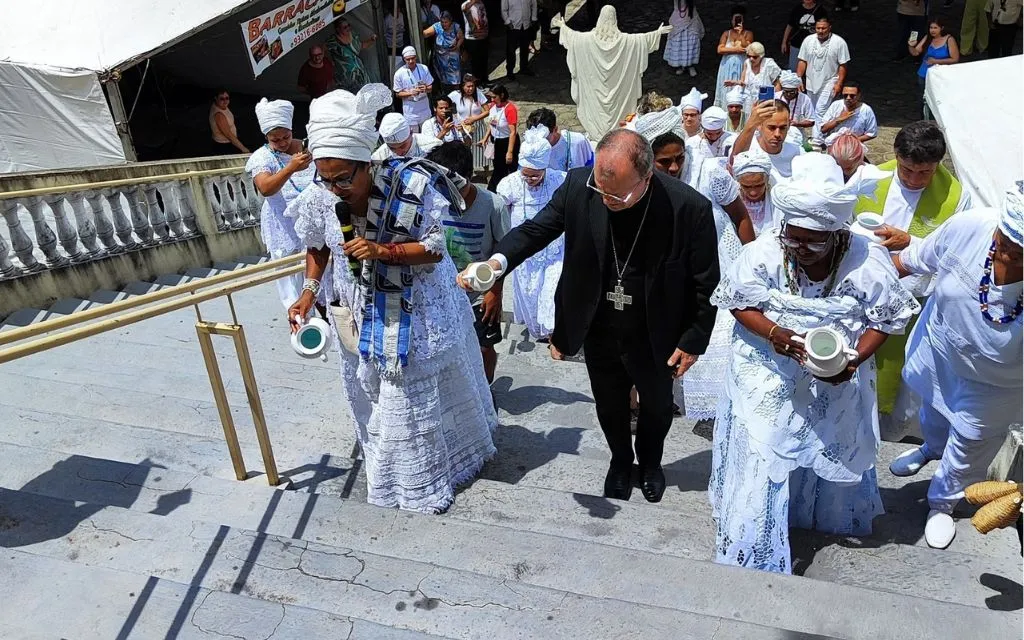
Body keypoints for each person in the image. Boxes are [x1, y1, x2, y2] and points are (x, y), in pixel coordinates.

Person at [460, 128, 720, 502]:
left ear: (647, 177)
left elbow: (706, 282)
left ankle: (650, 463)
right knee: (609, 402)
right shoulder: (582, 185)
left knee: (658, 406)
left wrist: (693, 339)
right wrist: (496, 262)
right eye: (602, 190)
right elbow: (537, 229)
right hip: (600, 324)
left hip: (656, 329)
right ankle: (619, 460)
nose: (607, 199)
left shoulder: (687, 208)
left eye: (617, 195)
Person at [285, 86, 496, 514]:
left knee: (408, 392)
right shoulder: (319, 198)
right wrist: (308, 294)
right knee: (375, 389)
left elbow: (435, 248)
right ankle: (389, 464)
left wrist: (383, 251)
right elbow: (317, 249)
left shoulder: (408, 185)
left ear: (368, 164)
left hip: (416, 310)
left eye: (345, 177)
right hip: (359, 308)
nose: (336, 188)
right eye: (327, 179)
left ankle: (419, 482)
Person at [709, 154, 918, 574]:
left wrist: (855, 358)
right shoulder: (768, 249)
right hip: (766, 364)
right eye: (794, 238)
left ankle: (809, 515)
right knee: (764, 447)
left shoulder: (866, 261)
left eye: (813, 241)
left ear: (837, 233)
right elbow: (739, 302)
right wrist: (781, 337)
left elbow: (887, 318)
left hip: (836, 371)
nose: (800, 249)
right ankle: (755, 539)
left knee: (824, 439)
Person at [888, 186, 1023, 549]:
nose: (1009, 249)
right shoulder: (971, 226)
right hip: (941, 352)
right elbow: (913, 259)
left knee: (971, 443)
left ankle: (942, 503)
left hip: (997, 386)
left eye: (1021, 248)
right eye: (1006, 237)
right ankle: (930, 448)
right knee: (932, 413)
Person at [852, 121, 972, 438]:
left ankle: (890, 435)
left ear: (938, 164)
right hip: (863, 298)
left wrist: (911, 244)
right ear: (896, 155)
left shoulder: (956, 197)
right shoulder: (869, 177)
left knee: (902, 388)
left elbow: (959, 254)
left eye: (924, 173)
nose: (914, 179)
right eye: (906, 170)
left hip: (915, 303)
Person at [426, 142, 512, 384]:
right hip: (443, 294)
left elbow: (505, 251)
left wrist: (495, 292)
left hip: (481, 296)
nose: (451, 197)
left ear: (470, 177)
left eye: (458, 189)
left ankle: (486, 390)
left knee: (484, 348)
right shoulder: (434, 203)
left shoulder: (493, 205)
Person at [681, 145, 755, 426]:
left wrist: (751, 261)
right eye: (664, 161)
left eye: (678, 159)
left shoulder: (711, 172)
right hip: (686, 268)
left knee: (722, 333)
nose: (674, 167)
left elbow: (740, 215)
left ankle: (720, 411)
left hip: (724, 262)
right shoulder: (649, 179)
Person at [553, 6, 672, 140]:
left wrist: (563, 27)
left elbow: (574, 37)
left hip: (596, 94)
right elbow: (642, 40)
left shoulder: (586, 40)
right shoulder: (628, 42)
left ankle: (598, 134)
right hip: (619, 99)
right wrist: (657, 33)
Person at [495, 126, 568, 340]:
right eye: (526, 175)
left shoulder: (560, 180)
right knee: (529, 292)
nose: (530, 180)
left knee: (552, 289)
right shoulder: (509, 184)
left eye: (535, 176)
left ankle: (554, 331)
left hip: (554, 249)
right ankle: (538, 329)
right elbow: (500, 214)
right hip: (525, 251)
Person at [246, 98, 315, 310]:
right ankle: (300, 322)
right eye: (275, 140)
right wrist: (290, 168)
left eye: (286, 136)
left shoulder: (307, 147)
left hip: (311, 222)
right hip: (282, 227)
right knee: (290, 279)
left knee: (316, 273)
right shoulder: (262, 157)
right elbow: (266, 188)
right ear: (267, 137)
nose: (283, 143)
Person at [730, 100, 804, 183]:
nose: (777, 134)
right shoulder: (747, 149)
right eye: (772, 128)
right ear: (759, 125)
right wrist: (751, 123)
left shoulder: (798, 153)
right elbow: (733, 164)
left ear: (789, 125)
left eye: (783, 128)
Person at [796, 15, 850, 124]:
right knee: (813, 109)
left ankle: (818, 138)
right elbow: (802, 61)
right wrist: (798, 78)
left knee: (821, 110)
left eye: (823, 28)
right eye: (818, 28)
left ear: (829, 27)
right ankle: (820, 133)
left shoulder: (839, 42)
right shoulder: (808, 40)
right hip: (811, 80)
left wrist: (839, 83)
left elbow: (843, 64)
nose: (820, 31)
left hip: (830, 80)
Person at [910, 18, 960, 119]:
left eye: (935, 28)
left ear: (941, 28)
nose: (932, 30)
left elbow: (955, 58)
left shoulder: (949, 40)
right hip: (924, 74)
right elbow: (915, 52)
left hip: (940, 76)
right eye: (931, 28)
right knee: (923, 100)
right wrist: (910, 46)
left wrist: (936, 61)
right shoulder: (928, 38)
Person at [526, 107, 595, 172]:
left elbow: (590, 166)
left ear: (555, 129)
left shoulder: (578, 141)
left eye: (545, 138)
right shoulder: (530, 148)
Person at [449, 74, 492, 172]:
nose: (471, 89)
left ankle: (486, 172)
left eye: (472, 86)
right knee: (465, 150)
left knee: (480, 148)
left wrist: (474, 119)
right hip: (463, 127)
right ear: (463, 86)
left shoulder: (478, 93)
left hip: (478, 126)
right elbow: (445, 102)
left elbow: (487, 111)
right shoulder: (456, 94)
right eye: (468, 86)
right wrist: (453, 117)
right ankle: (467, 171)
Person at [714, 5, 755, 109]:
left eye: (739, 19)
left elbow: (748, 48)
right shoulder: (726, 33)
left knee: (739, 86)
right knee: (726, 86)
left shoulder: (748, 33)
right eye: (735, 19)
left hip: (742, 65)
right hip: (726, 65)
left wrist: (741, 35)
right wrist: (736, 50)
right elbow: (720, 49)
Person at [682, 107, 734, 186]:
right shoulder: (692, 142)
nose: (713, 137)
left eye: (718, 133)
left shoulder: (731, 140)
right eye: (709, 133)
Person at [816, 81, 878, 146]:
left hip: (854, 146)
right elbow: (823, 129)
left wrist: (851, 141)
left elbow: (872, 133)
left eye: (852, 96)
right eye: (845, 95)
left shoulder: (866, 110)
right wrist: (838, 120)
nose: (848, 98)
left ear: (859, 95)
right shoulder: (836, 105)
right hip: (833, 145)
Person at [483, 85, 520, 191]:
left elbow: (513, 132)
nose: (492, 100)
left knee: (510, 168)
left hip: (507, 141)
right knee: (499, 168)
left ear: (502, 95)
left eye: (494, 97)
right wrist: (486, 137)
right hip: (496, 141)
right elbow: (492, 124)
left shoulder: (510, 109)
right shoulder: (493, 106)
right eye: (491, 97)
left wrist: (510, 152)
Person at [732, 150, 775, 235]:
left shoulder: (777, 202)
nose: (753, 193)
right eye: (746, 186)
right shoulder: (732, 200)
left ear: (766, 180)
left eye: (759, 185)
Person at [326, 19, 375, 94]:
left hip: (360, 74)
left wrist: (371, 40)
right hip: (346, 78)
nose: (348, 28)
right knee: (350, 98)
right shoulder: (332, 41)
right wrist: (330, 63)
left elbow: (360, 46)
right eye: (345, 27)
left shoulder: (353, 35)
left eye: (348, 25)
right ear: (338, 29)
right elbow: (322, 51)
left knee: (365, 95)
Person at [372, 113, 443, 163]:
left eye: (402, 146)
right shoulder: (380, 156)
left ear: (411, 132)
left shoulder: (433, 146)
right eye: (392, 148)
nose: (399, 152)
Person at [393, 46, 435, 131]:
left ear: (416, 57)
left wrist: (426, 88)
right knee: (414, 136)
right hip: (410, 109)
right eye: (408, 59)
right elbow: (398, 94)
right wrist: (411, 93)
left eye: (413, 58)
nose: (411, 61)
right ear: (404, 59)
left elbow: (431, 87)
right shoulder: (399, 73)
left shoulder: (424, 68)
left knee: (428, 132)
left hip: (424, 107)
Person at [735, 42, 782, 116]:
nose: (751, 59)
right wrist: (735, 82)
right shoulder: (747, 63)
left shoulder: (769, 64)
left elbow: (777, 83)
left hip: (765, 100)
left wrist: (777, 101)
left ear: (761, 56)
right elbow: (743, 82)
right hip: (749, 101)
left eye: (755, 57)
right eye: (748, 56)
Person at [781, 0, 828, 71]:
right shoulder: (797, 9)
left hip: (813, 46)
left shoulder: (820, 10)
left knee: (814, 70)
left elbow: (825, 28)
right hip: (797, 44)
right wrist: (784, 42)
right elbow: (790, 26)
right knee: (793, 69)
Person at [424, 11, 465, 92]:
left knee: (455, 79)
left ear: (450, 21)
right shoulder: (437, 26)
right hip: (441, 58)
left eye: (446, 22)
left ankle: (456, 94)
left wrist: (457, 46)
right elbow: (425, 34)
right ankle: (445, 94)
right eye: (442, 22)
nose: (444, 24)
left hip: (453, 57)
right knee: (442, 78)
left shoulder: (455, 27)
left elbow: (461, 37)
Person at [663, 0, 704, 77]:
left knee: (691, 43)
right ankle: (680, 65)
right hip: (678, 19)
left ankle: (690, 65)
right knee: (678, 43)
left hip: (692, 19)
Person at [776, 70, 817, 141]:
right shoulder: (776, 96)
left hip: (796, 134)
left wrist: (797, 124)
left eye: (792, 92)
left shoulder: (805, 99)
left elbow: (811, 121)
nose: (788, 94)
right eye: (786, 92)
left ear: (797, 89)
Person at [502, 0, 538, 80]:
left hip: (526, 24)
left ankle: (524, 68)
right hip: (513, 26)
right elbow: (504, 9)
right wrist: (507, 22)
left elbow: (534, 4)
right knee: (511, 50)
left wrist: (533, 17)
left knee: (525, 48)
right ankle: (510, 71)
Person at [210, 90, 249, 155]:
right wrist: (243, 148)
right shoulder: (219, 115)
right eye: (222, 98)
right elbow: (228, 134)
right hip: (224, 146)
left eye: (227, 98)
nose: (225, 101)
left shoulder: (220, 105)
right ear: (216, 98)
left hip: (226, 142)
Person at [461, 0, 491, 83]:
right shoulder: (465, 4)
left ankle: (485, 79)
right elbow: (465, 9)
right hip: (472, 38)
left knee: (484, 59)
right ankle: (477, 82)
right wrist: (473, 1)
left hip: (484, 36)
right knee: (475, 61)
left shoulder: (481, 3)